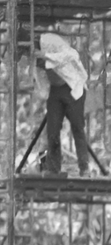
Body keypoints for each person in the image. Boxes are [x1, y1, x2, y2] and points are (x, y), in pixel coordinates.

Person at [32, 32, 90, 176]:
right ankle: (53, 169)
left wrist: (46, 56)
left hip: (72, 87)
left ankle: (84, 167)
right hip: (55, 91)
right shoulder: (32, 58)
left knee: (78, 128)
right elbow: (41, 81)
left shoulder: (50, 41)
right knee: (52, 131)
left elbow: (72, 54)